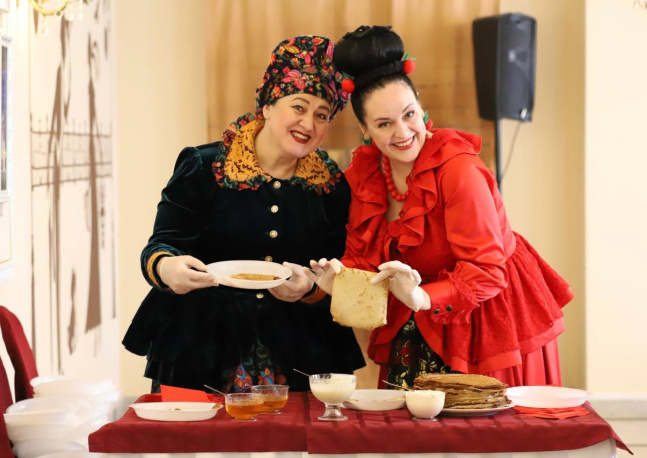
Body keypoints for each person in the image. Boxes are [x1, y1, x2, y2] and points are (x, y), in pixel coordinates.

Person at [308, 26, 573, 389]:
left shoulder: (459, 171)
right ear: (364, 128)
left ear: (421, 106)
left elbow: (485, 271)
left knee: (482, 419)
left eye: (409, 114)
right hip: (418, 312)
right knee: (410, 421)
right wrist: (337, 280)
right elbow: (365, 261)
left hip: (487, 314)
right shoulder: (366, 175)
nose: (403, 132)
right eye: (384, 124)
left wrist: (421, 296)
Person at [122, 35, 365, 393]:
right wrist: (167, 269)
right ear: (267, 105)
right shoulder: (205, 166)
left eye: (321, 115)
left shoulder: (329, 185)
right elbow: (161, 246)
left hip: (298, 350)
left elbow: (337, 265)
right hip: (199, 344)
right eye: (298, 107)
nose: (308, 123)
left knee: (295, 431)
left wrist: (310, 288)